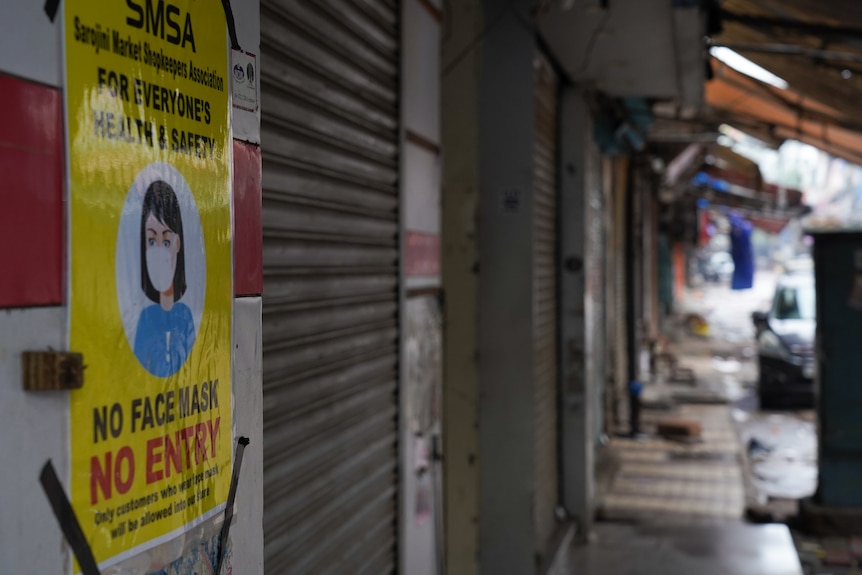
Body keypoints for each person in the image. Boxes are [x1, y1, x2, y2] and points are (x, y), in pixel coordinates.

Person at [133, 180, 196, 377]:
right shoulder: (145, 319)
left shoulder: (185, 316)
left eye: (166, 241)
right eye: (152, 241)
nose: (159, 251)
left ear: (177, 244)